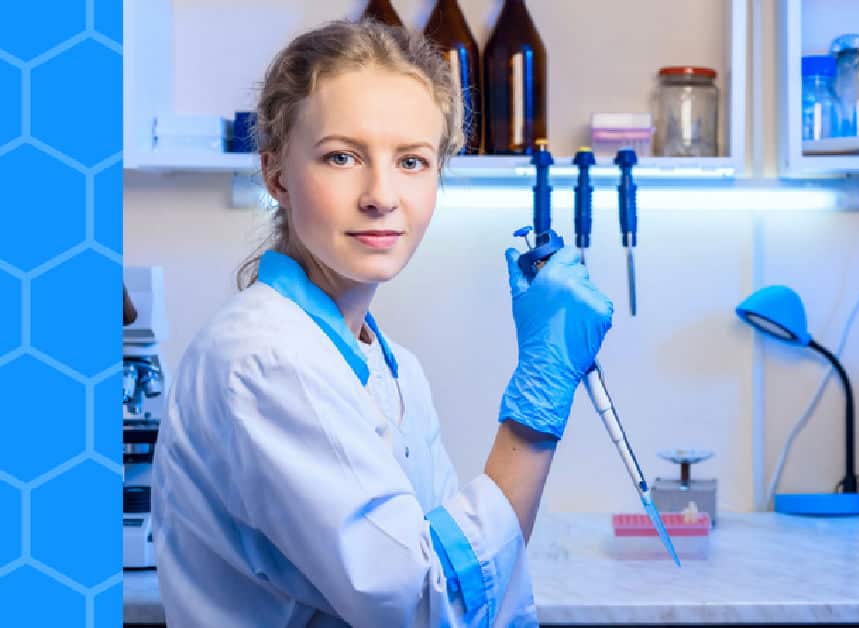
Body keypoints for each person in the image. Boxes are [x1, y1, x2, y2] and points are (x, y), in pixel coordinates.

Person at [150, 19, 613, 627]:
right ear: (276, 175)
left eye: (412, 161)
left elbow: (467, 576)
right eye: (342, 157)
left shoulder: (391, 366)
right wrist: (536, 410)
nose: (381, 195)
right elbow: (423, 602)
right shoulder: (266, 362)